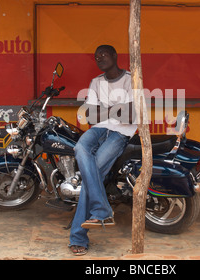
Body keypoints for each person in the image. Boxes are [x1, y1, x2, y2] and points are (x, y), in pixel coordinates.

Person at [68, 45, 137, 256]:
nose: (100, 59)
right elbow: (90, 116)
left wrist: (104, 111)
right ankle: (102, 209)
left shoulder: (131, 80)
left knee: (93, 172)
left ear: (115, 56)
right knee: (79, 147)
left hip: (120, 133)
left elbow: (130, 115)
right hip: (98, 130)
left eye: (104, 55)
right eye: (97, 57)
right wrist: (114, 110)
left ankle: (78, 237)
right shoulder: (95, 82)